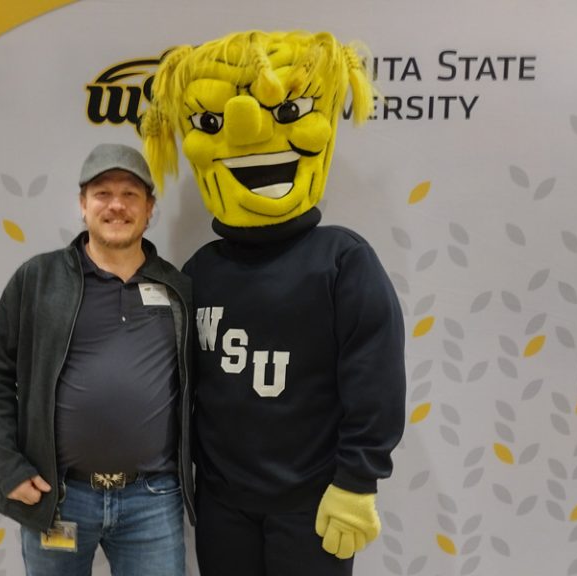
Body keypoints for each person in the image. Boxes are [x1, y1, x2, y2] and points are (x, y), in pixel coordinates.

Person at [142, 31, 406, 576]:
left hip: (311, 503)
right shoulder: (200, 271)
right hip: (223, 504)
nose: (246, 133)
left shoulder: (343, 259)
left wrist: (357, 481)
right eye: (213, 123)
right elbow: (183, 383)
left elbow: (374, 379)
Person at [0, 142, 194, 576]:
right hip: (60, 498)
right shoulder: (38, 279)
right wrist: (9, 466)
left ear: (150, 208)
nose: (116, 205)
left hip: (152, 500)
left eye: (131, 194)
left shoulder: (178, 289)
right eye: (102, 193)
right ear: (82, 204)